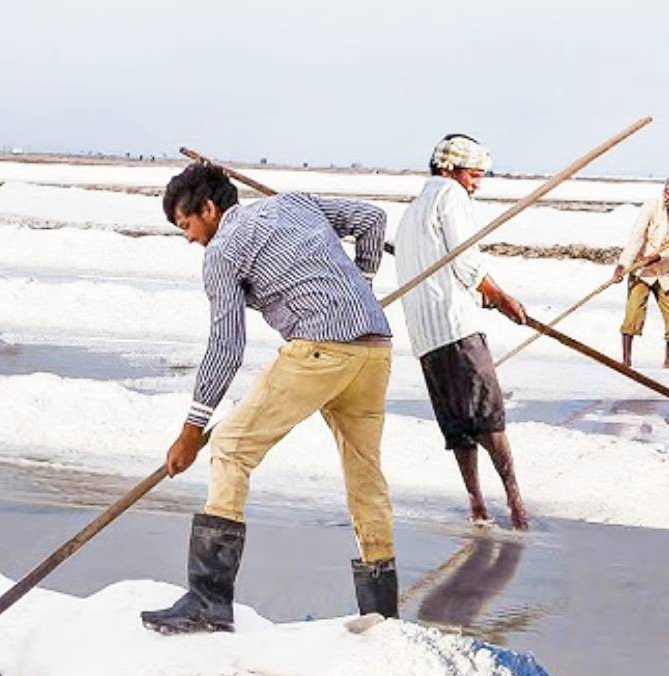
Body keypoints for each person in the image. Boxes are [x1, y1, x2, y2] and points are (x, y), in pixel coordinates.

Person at [141, 164, 399, 634]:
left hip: (319, 349)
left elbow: (226, 344)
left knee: (231, 447)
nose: (190, 238)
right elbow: (371, 219)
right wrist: (362, 284)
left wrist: (191, 430)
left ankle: (208, 603)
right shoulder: (293, 202)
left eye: (187, 226)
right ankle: (383, 615)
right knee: (365, 475)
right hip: (375, 349)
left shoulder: (223, 251)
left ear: (209, 208)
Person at [394, 134, 530, 530]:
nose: (477, 184)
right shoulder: (450, 196)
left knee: (456, 423)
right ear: (449, 170)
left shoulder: (413, 211)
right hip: (457, 327)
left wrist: (480, 292)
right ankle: (516, 503)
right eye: (474, 175)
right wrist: (500, 297)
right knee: (489, 417)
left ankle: (477, 504)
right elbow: (465, 260)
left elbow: (442, 264)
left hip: (425, 337)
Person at [612, 171, 669, 368]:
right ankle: (626, 360)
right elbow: (637, 236)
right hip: (642, 269)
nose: (668, 197)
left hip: (665, 270)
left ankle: (668, 361)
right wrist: (623, 264)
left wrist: (659, 256)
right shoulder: (651, 206)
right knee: (633, 314)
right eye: (666, 192)